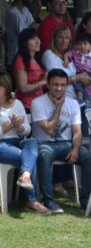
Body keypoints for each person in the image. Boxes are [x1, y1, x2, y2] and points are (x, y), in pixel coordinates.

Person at [30, 69, 91, 213]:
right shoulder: (37, 103)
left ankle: (86, 201)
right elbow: (48, 129)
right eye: (55, 84)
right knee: (44, 156)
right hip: (44, 144)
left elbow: (77, 131)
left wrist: (75, 149)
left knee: (90, 157)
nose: (59, 88)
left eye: (63, 85)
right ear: (48, 84)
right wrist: (58, 108)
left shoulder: (73, 104)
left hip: (67, 144)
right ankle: (49, 201)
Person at [0, 74, 48, 214]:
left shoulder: (17, 104)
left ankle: (25, 175)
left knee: (32, 142)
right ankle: (31, 200)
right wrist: (10, 125)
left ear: (6, 87)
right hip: (1, 145)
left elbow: (27, 130)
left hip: (17, 141)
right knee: (28, 158)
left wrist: (20, 127)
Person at [6, 0, 36, 68]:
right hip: (16, 60)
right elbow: (26, 35)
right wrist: (33, 28)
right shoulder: (13, 13)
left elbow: (33, 29)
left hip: (26, 57)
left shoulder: (25, 10)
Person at [69, 30, 91, 109]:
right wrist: (66, 59)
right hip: (78, 74)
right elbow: (67, 54)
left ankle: (80, 101)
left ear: (90, 45)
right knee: (81, 88)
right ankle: (86, 103)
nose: (82, 46)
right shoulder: (75, 53)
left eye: (85, 44)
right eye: (80, 43)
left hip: (88, 74)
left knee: (81, 88)